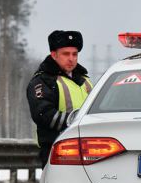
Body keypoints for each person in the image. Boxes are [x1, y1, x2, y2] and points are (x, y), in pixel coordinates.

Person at [26, 30, 93, 168]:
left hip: (88, 149)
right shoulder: (41, 81)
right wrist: (77, 121)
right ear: (54, 55)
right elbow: (43, 114)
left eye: (75, 54)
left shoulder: (86, 81)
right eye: (66, 54)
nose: (71, 58)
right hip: (56, 151)